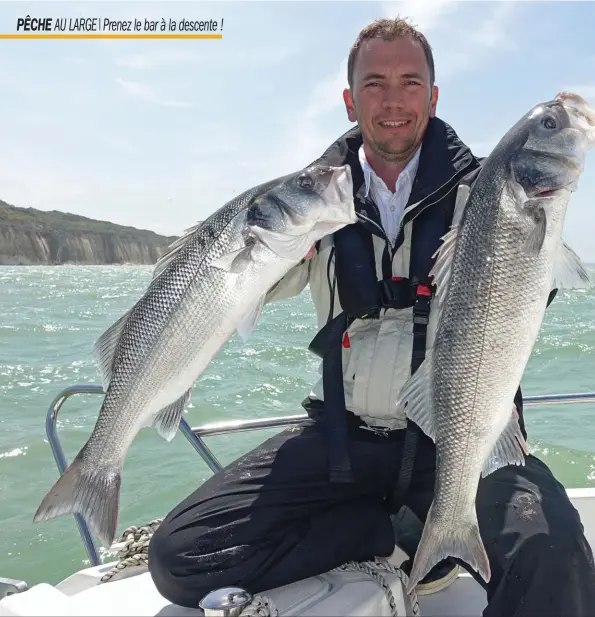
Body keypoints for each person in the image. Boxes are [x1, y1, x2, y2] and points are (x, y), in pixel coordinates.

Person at [148, 17, 595, 615]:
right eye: (375, 82)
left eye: (410, 82)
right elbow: (233, 291)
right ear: (349, 98)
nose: (392, 100)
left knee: (554, 552)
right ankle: (387, 534)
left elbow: (534, 286)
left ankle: (427, 522)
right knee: (182, 555)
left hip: (454, 434)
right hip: (344, 436)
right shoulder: (308, 200)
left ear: (433, 97)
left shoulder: (488, 191)